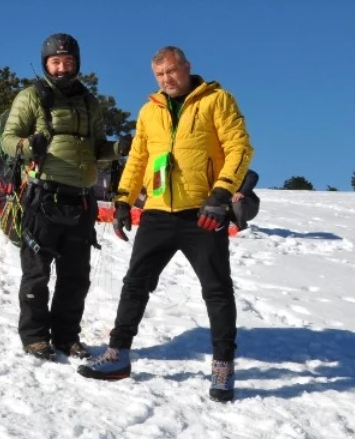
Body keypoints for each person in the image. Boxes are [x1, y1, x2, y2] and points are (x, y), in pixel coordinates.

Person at [79, 46, 253, 402]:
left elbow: (239, 147)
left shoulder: (217, 100)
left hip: (203, 211)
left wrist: (221, 194)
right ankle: (118, 355)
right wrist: (124, 199)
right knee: (135, 283)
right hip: (158, 210)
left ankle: (223, 365)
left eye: (172, 71)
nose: (166, 79)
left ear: (187, 67)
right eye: (159, 74)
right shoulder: (149, 111)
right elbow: (139, 157)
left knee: (216, 289)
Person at [0, 33, 120, 361]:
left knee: (75, 276)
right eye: (56, 62)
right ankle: (35, 337)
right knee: (37, 273)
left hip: (81, 199)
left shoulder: (89, 102)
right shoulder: (31, 96)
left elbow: (98, 149)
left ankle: (68, 337)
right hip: (42, 196)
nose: (62, 67)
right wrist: (26, 146)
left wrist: (119, 149)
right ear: (46, 64)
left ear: (77, 63)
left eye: (68, 61)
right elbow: (7, 139)